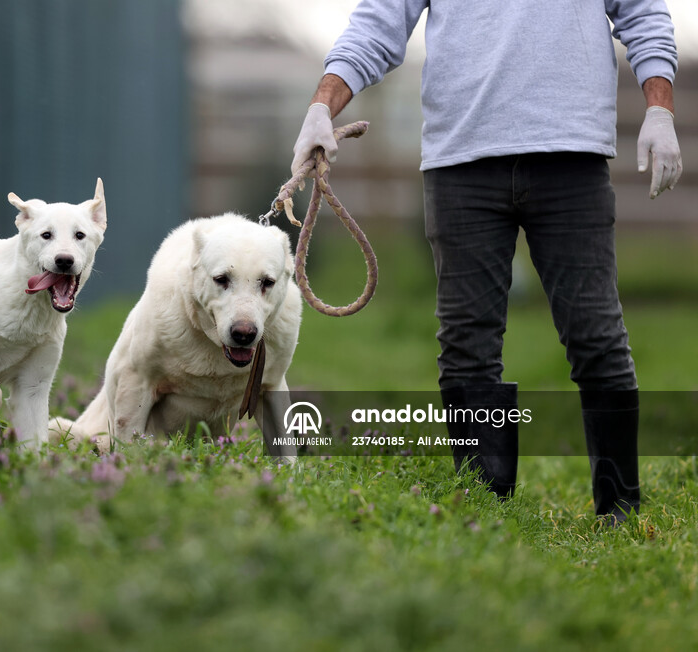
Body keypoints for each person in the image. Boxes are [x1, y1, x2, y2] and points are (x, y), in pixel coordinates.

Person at [291, 1, 683, 522]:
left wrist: (660, 108)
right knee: (467, 346)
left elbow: (644, 14)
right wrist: (322, 105)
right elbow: (378, 24)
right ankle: (486, 510)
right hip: (460, 163)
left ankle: (620, 509)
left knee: (596, 336)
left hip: (571, 156)